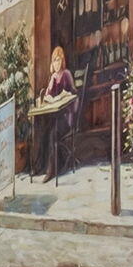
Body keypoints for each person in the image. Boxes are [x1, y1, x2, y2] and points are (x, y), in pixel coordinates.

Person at [39, 46, 78, 181]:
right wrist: (50, 86)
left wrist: (65, 95)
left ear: (62, 61)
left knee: (52, 134)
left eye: (58, 60)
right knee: (44, 132)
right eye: (54, 61)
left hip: (67, 117)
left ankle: (51, 170)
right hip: (57, 116)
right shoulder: (54, 77)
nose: (56, 64)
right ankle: (44, 167)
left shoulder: (66, 74)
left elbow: (74, 92)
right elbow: (47, 96)